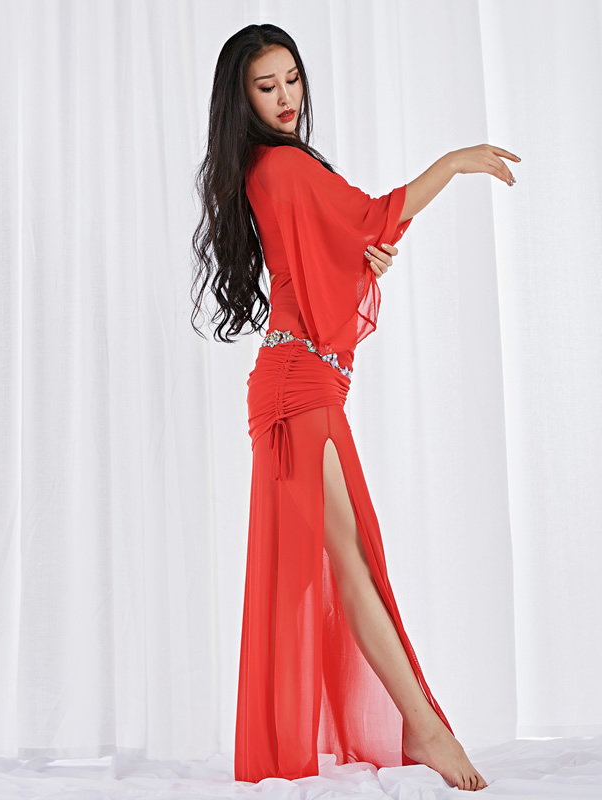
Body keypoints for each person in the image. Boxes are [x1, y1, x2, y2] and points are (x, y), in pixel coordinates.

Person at [191, 22, 519, 793]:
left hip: (303, 381)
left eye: (291, 79)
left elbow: (337, 254)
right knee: (351, 563)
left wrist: (364, 261)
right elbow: (377, 215)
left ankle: (416, 727)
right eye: (265, 86)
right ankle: (426, 730)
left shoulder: (273, 167)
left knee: (349, 562)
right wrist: (454, 164)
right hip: (298, 386)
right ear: (241, 98)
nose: (285, 97)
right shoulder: (280, 164)